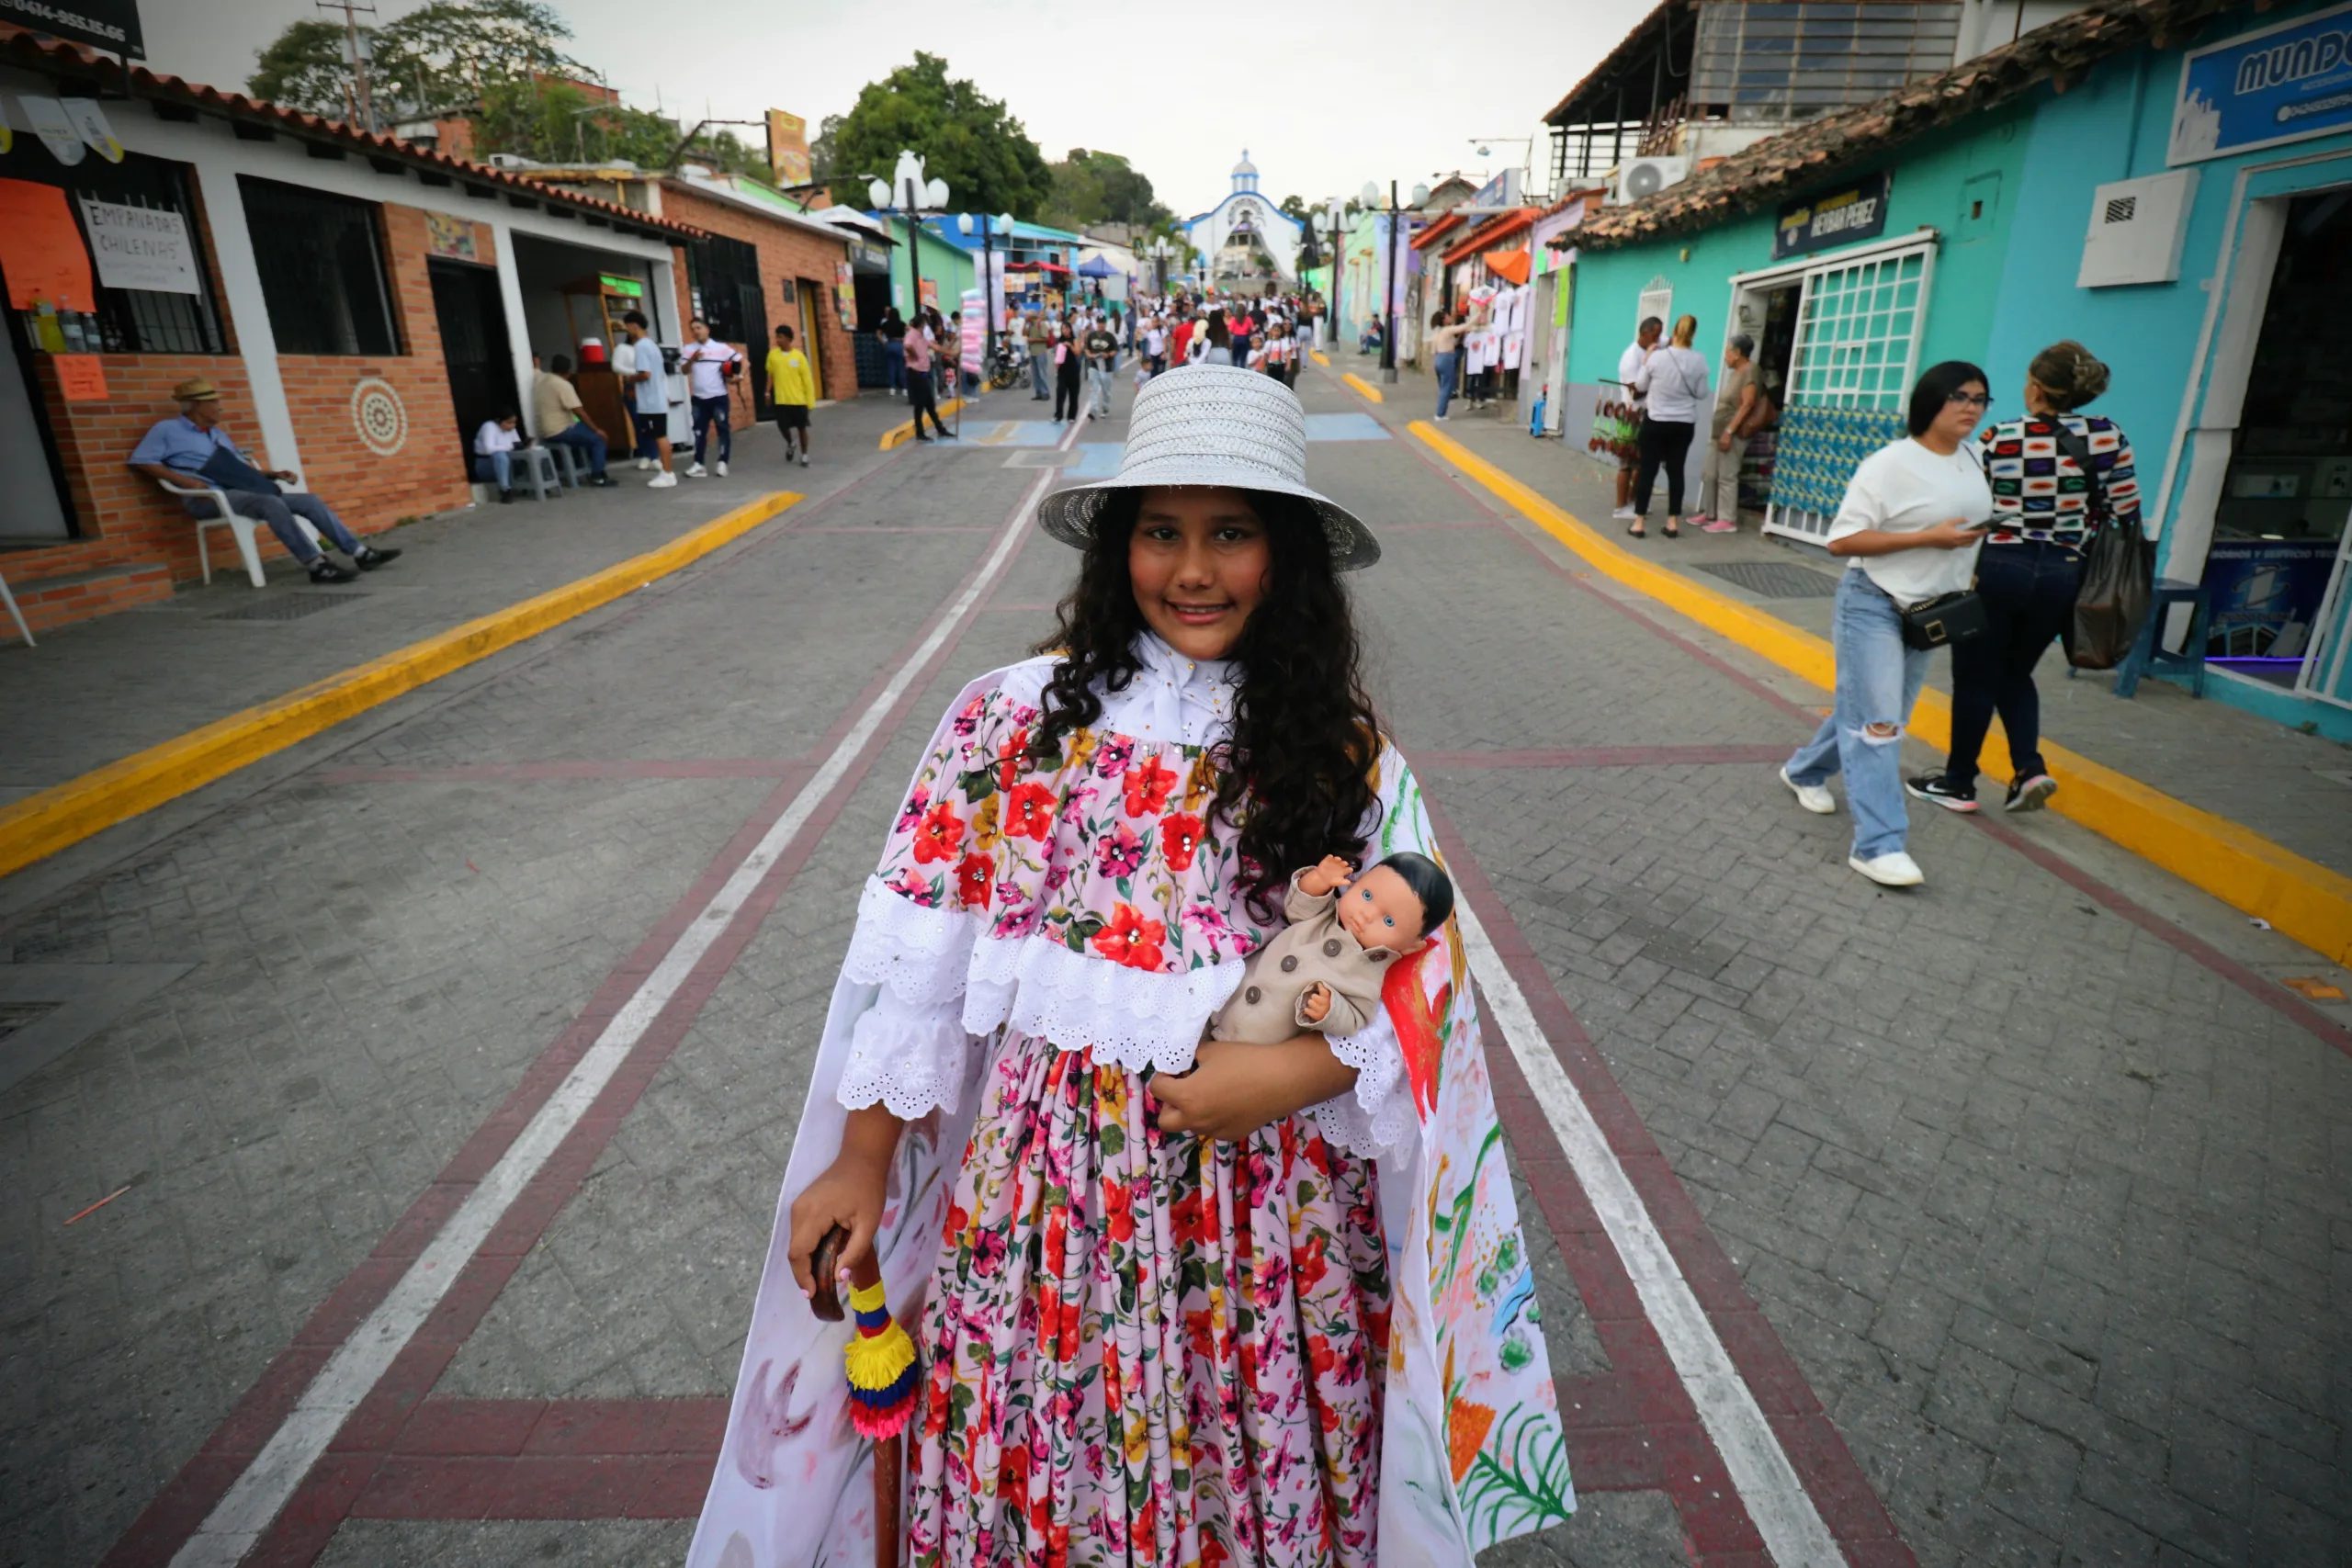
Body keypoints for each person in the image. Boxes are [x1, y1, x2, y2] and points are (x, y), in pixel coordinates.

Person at [685, 364, 1568, 1568]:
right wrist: (860, 1156)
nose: (1194, 570)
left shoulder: (1338, 750)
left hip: (1266, 1212)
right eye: (1162, 531)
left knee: (1234, 1467)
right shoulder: (1010, 721)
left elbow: (1406, 976)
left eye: (1232, 533)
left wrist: (1280, 1078)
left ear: (1287, 556)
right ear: (1118, 547)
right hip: (1050, 1197)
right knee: (1052, 1453)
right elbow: (928, 950)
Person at [1779, 362, 1994, 887]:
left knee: (1878, 712)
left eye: (1980, 398)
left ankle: (1804, 770)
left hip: (1930, 612)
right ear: (1931, 402)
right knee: (1879, 724)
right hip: (1873, 603)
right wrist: (1928, 539)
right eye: (1959, 397)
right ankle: (1878, 845)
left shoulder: (1973, 456)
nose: (1971, 407)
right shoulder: (1889, 463)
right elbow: (1842, 541)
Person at [1908, 340, 2139, 815]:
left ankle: (1958, 783)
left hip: (2001, 566)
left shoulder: (2000, 438)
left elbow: (1971, 507)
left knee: (1975, 676)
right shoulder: (2109, 438)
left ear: (2035, 387)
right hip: (2064, 572)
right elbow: (2126, 511)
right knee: (2016, 672)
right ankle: (2029, 769)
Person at [130, 378, 401, 584]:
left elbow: (238, 469)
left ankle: (360, 553)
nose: (220, 407)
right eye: (214, 402)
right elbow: (141, 460)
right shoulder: (166, 430)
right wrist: (182, 481)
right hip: (208, 498)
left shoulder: (217, 434)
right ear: (196, 406)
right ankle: (317, 565)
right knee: (271, 502)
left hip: (244, 490)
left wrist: (274, 474)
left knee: (309, 500)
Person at [1629, 315, 1709, 539]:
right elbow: (1702, 393)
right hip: (1684, 424)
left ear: (1674, 331)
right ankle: (1673, 522)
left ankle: (1639, 522)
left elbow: (1641, 385)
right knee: (1676, 471)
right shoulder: (1699, 360)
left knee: (1648, 470)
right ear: (1693, 334)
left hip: (1656, 421)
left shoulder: (1657, 358)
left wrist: (1646, 359)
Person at [1691, 334, 1759, 533]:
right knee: (1709, 473)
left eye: (1727, 352)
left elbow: (1748, 404)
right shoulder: (1736, 372)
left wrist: (1729, 431)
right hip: (1718, 432)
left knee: (1727, 476)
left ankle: (1727, 519)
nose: (1725, 357)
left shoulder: (1750, 372)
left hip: (1733, 433)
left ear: (1737, 353)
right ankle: (1710, 513)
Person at [531, 354, 616, 487]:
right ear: (569, 371)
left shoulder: (542, 379)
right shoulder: (563, 385)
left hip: (543, 430)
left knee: (583, 433)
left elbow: (535, 370)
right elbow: (579, 411)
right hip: (560, 430)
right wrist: (596, 429)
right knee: (598, 439)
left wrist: (535, 362)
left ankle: (584, 466)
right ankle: (597, 475)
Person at [614, 310, 676, 488]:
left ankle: (667, 473)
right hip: (656, 398)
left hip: (650, 401)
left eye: (627, 327)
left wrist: (630, 379)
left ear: (634, 325)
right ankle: (666, 471)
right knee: (660, 435)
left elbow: (645, 374)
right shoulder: (652, 345)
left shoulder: (640, 346)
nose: (627, 331)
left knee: (660, 436)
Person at [1611, 316, 1663, 522]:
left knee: (1641, 464)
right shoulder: (1631, 357)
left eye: (1660, 335)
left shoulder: (1653, 349)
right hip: (1631, 415)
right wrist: (1654, 380)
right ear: (1644, 334)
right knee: (1626, 463)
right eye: (1655, 335)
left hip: (1646, 415)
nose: (1658, 339)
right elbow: (1635, 393)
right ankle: (1620, 506)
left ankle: (1634, 503)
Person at [680, 318, 742, 479]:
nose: (696, 331)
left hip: (718, 396)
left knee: (722, 429)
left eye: (699, 327)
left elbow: (741, 361)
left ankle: (723, 462)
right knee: (699, 432)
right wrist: (693, 359)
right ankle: (698, 464)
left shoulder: (720, 348)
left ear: (707, 329)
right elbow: (684, 370)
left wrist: (738, 376)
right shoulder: (689, 349)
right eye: (693, 328)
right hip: (699, 398)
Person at [766, 323, 816, 468]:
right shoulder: (773, 355)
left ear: (788, 339)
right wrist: (767, 392)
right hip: (781, 399)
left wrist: (810, 402)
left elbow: (807, 381)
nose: (777, 340)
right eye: (776, 336)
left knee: (802, 428)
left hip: (798, 400)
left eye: (780, 337)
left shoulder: (799, 357)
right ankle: (790, 443)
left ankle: (805, 455)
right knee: (782, 426)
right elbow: (770, 375)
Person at [901, 317, 950, 442]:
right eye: (924, 325)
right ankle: (920, 433)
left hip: (922, 373)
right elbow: (907, 346)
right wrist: (914, 355)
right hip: (915, 373)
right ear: (921, 325)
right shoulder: (912, 335)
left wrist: (953, 353)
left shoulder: (921, 337)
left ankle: (940, 429)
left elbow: (935, 347)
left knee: (929, 404)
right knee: (920, 404)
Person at [1428, 310, 1471, 421]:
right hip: (1447, 359)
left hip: (1438, 359)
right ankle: (1440, 414)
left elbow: (1433, 350)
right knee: (1446, 388)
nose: (1450, 317)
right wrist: (1479, 315)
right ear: (1444, 320)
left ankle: (1441, 412)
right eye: (1447, 316)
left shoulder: (1438, 333)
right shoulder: (1448, 330)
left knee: (1444, 387)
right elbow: (1465, 326)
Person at [472, 412, 525, 502]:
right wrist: (509, 447)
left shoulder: (512, 429)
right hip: (487, 464)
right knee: (500, 455)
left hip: (507, 464)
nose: (512, 426)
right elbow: (489, 449)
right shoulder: (489, 427)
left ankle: (526, 484)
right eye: (509, 423)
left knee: (525, 455)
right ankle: (505, 490)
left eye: (514, 423)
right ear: (499, 421)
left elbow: (517, 444)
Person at [1082, 313, 1118, 419]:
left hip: (1107, 367)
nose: (1101, 325)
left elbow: (1115, 350)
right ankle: (1093, 410)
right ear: (1096, 323)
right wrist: (1090, 355)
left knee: (1106, 390)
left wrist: (1108, 354)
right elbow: (1087, 348)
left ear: (1105, 324)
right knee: (1093, 388)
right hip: (1094, 365)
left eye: (1103, 323)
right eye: (1099, 323)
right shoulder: (1091, 335)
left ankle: (1105, 408)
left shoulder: (1110, 336)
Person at [1051, 321, 1084, 422]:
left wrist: (1070, 346)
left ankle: (1071, 416)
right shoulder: (1059, 341)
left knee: (1073, 395)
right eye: (1063, 329)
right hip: (1062, 371)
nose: (1064, 331)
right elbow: (1057, 355)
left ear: (1070, 329)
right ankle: (1058, 415)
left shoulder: (1074, 340)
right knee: (1060, 394)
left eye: (1066, 328)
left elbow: (1078, 353)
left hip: (1073, 371)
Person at [879, 307, 909, 399]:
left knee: (891, 367)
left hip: (889, 345)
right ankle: (904, 388)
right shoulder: (902, 323)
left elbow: (878, 332)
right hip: (899, 345)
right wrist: (904, 339)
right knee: (901, 367)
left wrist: (883, 342)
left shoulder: (886, 324)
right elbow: (910, 330)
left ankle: (892, 388)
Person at [1024, 308, 1053, 400]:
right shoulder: (1030, 325)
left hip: (1040, 351)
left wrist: (1033, 340)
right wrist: (1025, 323)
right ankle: (1038, 392)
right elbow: (1024, 333)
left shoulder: (1041, 324)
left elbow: (1046, 338)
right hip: (1033, 352)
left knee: (1042, 373)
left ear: (1031, 316)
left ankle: (1045, 392)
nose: (1026, 317)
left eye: (1027, 316)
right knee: (1035, 374)